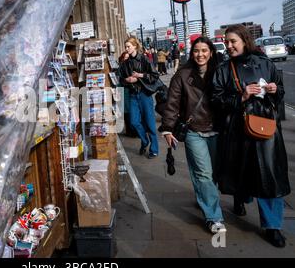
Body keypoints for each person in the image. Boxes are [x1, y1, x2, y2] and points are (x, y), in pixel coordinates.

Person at [211, 24, 291, 248]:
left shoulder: (265, 63)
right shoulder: (223, 69)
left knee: (270, 177)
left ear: (244, 41)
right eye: (226, 42)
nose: (228, 46)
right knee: (241, 171)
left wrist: (275, 91)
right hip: (237, 130)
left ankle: (273, 226)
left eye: (232, 41)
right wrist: (242, 96)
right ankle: (239, 197)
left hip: (266, 127)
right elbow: (216, 101)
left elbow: (280, 94)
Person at [161, 36, 226, 234]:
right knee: (203, 173)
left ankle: (204, 199)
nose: (200, 54)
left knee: (214, 173)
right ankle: (214, 218)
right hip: (194, 130)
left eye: (204, 50)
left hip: (217, 128)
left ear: (211, 52)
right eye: (196, 51)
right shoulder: (182, 75)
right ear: (191, 53)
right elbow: (172, 103)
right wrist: (167, 128)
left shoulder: (221, 72)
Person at [118, 37, 160, 158]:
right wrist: (127, 80)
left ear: (135, 46)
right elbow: (120, 78)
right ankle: (145, 141)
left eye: (128, 46)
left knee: (150, 124)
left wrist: (139, 76)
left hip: (144, 94)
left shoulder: (144, 59)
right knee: (134, 122)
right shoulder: (125, 63)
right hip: (132, 95)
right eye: (125, 47)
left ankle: (154, 149)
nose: (126, 49)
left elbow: (154, 75)